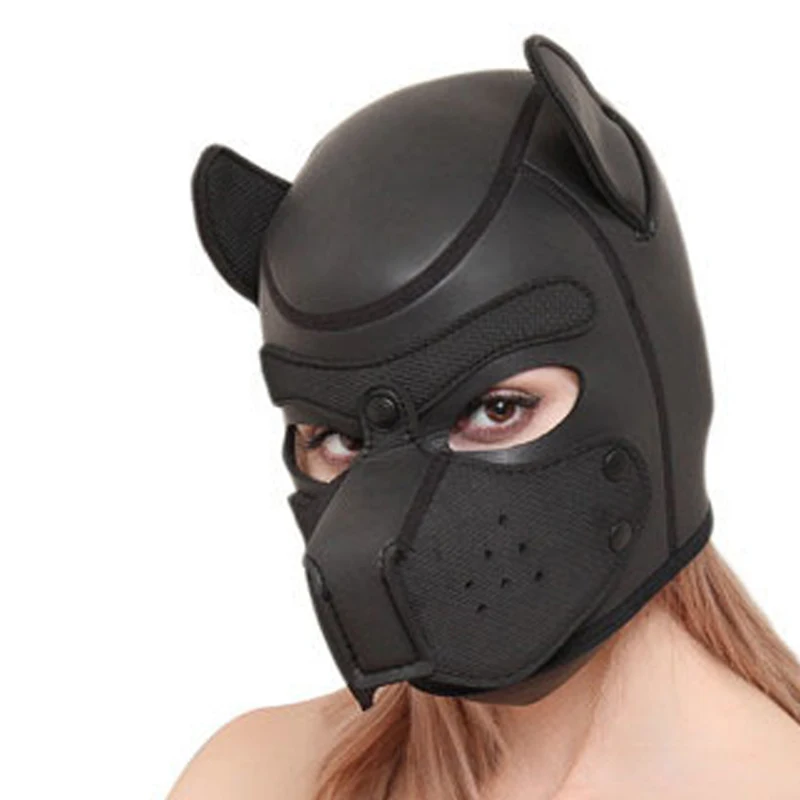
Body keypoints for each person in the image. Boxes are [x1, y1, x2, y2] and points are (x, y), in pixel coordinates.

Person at [168, 34, 800, 799]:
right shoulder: (253, 778)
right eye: (340, 437)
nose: (390, 525)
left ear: (654, 378)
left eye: (498, 408)